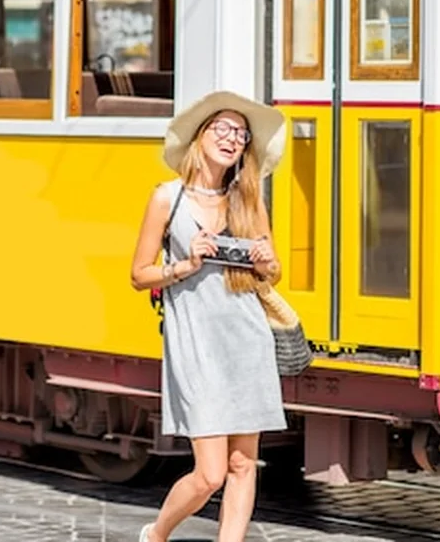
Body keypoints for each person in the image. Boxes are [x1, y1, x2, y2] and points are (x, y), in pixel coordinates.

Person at [130, 90, 289, 542]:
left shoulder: (248, 200)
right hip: (196, 344)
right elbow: (139, 274)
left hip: (247, 340)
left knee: (243, 464)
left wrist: (266, 262)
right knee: (210, 474)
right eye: (222, 128)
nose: (232, 138)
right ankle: (156, 534)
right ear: (199, 136)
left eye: (240, 134)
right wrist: (185, 265)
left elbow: (273, 271)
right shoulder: (167, 198)